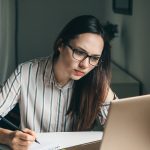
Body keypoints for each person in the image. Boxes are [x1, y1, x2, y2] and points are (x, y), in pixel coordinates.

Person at [0, 15, 117, 149]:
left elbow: (121, 133)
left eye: (94, 58)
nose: (85, 65)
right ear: (60, 45)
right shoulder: (25, 73)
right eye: (79, 52)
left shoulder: (94, 80)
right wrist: (8, 137)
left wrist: (102, 85)